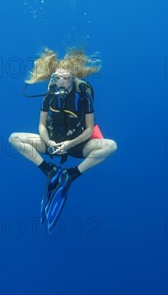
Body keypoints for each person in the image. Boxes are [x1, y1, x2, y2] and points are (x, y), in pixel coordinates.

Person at [9, 47, 117, 232]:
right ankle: (49, 170)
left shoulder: (83, 94)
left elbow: (90, 128)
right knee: (14, 138)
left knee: (111, 146)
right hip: (52, 143)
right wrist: (49, 142)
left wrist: (70, 144)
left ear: (73, 77)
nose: (61, 82)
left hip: (77, 145)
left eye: (66, 78)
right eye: (58, 77)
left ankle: (71, 175)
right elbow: (42, 125)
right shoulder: (50, 94)